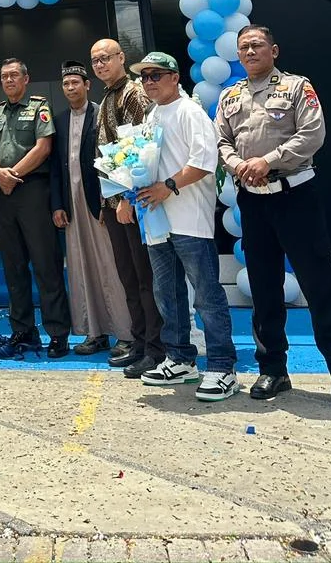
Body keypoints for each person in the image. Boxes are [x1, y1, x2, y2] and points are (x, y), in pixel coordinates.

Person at [216, 25, 331, 410]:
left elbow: (312, 135)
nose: (250, 51)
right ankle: (273, 369)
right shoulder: (230, 96)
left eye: (256, 45)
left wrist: (267, 160)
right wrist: (238, 165)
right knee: (264, 287)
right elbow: (222, 142)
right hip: (253, 201)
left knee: (320, 284)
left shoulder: (297, 87)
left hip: (295, 197)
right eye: (243, 47)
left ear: (274, 50)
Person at [127, 51, 239, 402]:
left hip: (190, 218)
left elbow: (204, 161)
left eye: (156, 75)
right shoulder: (151, 115)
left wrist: (168, 186)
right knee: (168, 294)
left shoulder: (190, 111)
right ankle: (180, 359)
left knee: (206, 295)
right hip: (157, 220)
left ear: (175, 78)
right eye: (144, 77)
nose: (148, 82)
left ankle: (222, 366)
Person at [0, 58, 71, 358]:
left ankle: (58, 332)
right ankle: (22, 330)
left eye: (14, 75)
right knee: (13, 267)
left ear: (26, 79)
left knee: (46, 264)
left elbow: (43, 147)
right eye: (4, 76)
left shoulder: (39, 107)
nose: (9, 80)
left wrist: (13, 175)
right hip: (4, 193)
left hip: (33, 190)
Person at [90, 37, 163, 378]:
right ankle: (139, 341)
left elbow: (139, 149)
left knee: (144, 277)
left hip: (132, 203)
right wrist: (106, 203)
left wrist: (124, 199)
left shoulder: (133, 93)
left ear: (121, 57)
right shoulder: (107, 96)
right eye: (95, 60)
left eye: (106, 57)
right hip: (113, 202)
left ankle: (155, 348)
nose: (100, 64)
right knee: (128, 277)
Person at [51, 62, 133, 357]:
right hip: (71, 206)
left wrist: (109, 200)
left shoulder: (101, 114)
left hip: (99, 203)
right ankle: (94, 332)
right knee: (80, 268)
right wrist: (57, 205)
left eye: (76, 82)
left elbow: (115, 159)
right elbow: (55, 167)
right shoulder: (59, 121)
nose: (70, 88)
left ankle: (125, 333)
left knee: (110, 267)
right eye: (66, 84)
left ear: (87, 85)